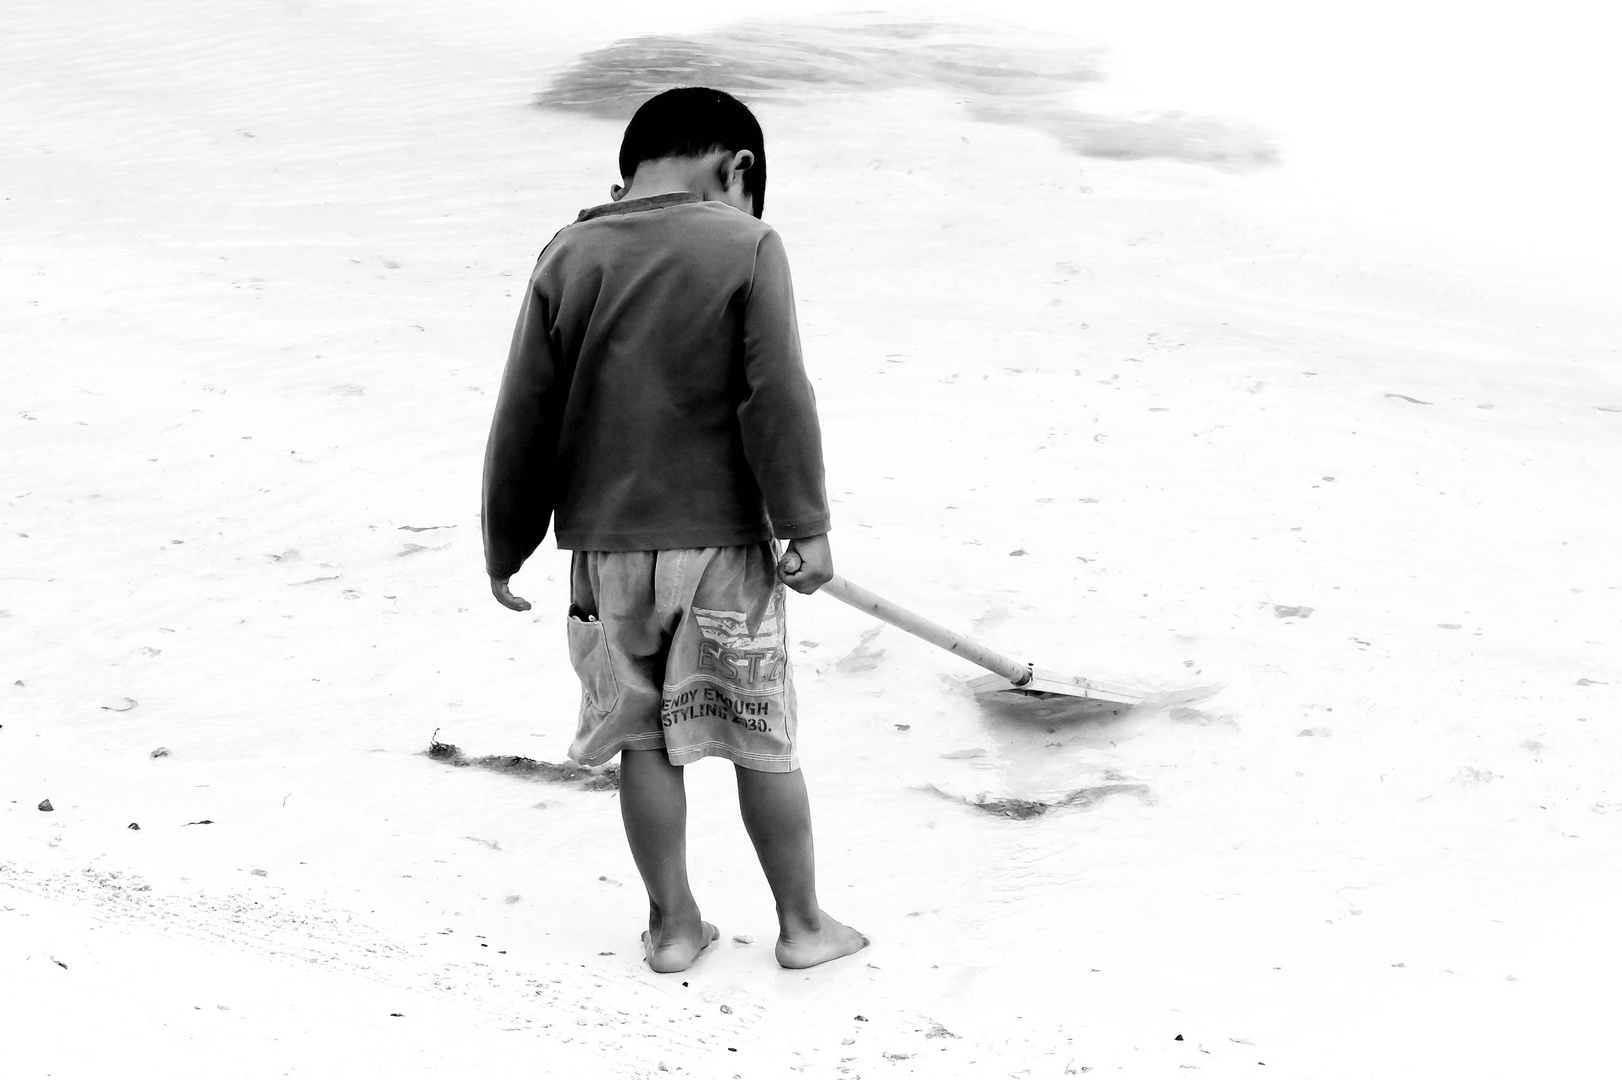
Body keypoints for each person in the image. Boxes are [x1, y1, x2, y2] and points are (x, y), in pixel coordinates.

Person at [481, 87, 867, 974]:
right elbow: (776, 396)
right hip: (722, 553)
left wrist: (508, 542)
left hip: (603, 560)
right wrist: (804, 521)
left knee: (643, 742)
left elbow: (523, 414)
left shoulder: (568, 255)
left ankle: (672, 927)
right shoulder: (748, 245)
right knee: (760, 737)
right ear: (738, 168)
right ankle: (803, 926)